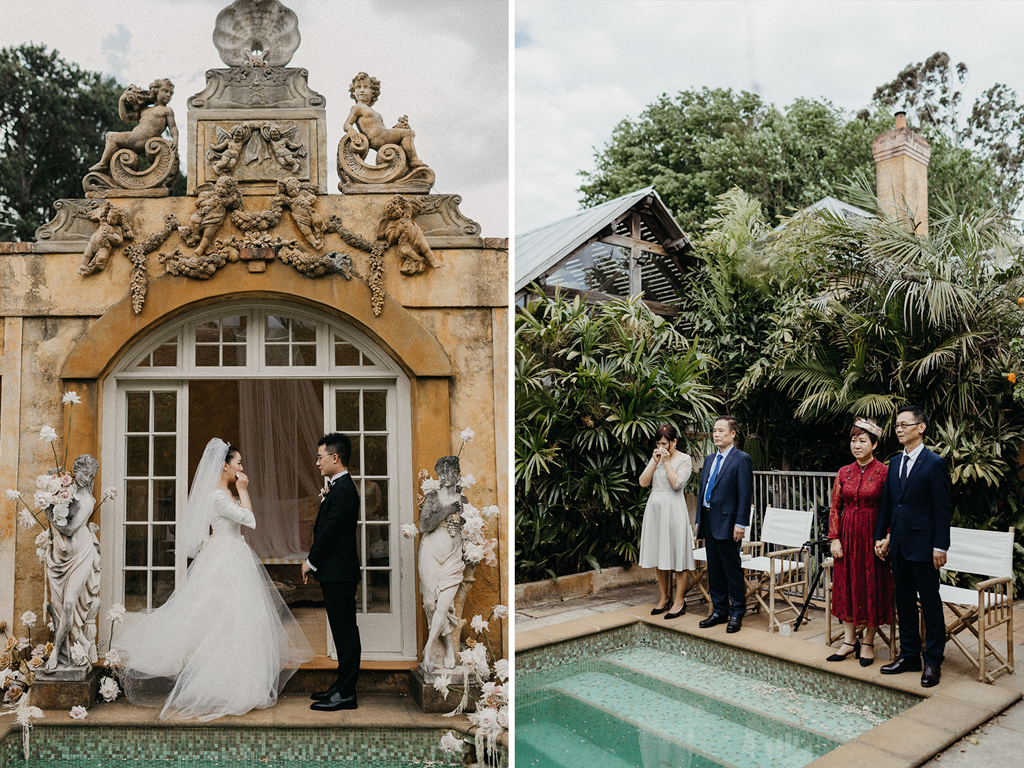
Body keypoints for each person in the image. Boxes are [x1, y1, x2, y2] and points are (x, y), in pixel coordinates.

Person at [115, 439, 312, 721]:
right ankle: (218, 684)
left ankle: (239, 679)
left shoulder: (223, 494)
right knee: (222, 618)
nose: (242, 467)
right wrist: (244, 491)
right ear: (225, 466)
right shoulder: (219, 497)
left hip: (231, 553)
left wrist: (237, 493)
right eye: (238, 463)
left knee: (237, 619)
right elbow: (250, 520)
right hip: (227, 556)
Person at [874, 405, 951, 688]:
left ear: (921, 428)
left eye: (905, 424)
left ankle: (932, 661)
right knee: (903, 602)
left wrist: (940, 546)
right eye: (897, 425)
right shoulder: (893, 463)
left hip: (924, 545)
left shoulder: (934, 463)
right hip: (899, 546)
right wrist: (880, 536)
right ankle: (909, 656)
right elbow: (889, 505)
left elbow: (943, 509)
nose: (899, 429)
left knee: (930, 604)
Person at [826, 418, 893, 667]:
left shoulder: (885, 472)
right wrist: (834, 539)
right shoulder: (844, 472)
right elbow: (835, 506)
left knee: (871, 585)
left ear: (874, 444)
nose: (856, 445)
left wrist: (886, 537)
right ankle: (849, 640)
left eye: (862, 440)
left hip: (872, 536)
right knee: (847, 585)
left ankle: (868, 641)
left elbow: (890, 509)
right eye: (853, 440)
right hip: (847, 535)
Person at [302, 433, 361, 711]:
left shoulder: (345, 490)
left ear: (334, 458)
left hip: (340, 573)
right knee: (340, 632)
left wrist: (310, 562)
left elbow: (330, 532)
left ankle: (347, 693)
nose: (317, 463)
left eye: (320, 457)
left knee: (346, 633)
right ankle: (341, 685)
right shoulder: (338, 487)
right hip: (335, 572)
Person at [696, 416, 753, 633]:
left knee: (732, 569)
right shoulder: (710, 459)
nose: (716, 434)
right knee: (715, 568)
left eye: (721, 430)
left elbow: (745, 494)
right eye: (714, 431)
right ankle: (719, 611)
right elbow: (703, 491)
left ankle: (737, 611)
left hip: (730, 523)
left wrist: (741, 523)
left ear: (732, 434)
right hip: (709, 519)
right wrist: (698, 519)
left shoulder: (741, 459)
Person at [637, 424, 694, 620]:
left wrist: (668, 462)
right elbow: (643, 482)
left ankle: (679, 601)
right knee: (660, 554)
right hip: (656, 509)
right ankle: (663, 598)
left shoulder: (685, 459)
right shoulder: (657, 458)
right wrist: (654, 462)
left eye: (665, 443)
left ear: (674, 442)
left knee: (678, 555)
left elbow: (677, 483)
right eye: (658, 443)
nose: (661, 447)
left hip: (674, 508)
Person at [90, 79, 178, 172]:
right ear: (156, 91)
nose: (169, 95)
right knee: (109, 136)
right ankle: (109, 167)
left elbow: (172, 128)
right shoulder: (145, 110)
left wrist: (175, 140)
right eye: (165, 91)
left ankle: (103, 164)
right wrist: (121, 101)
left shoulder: (167, 110)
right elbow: (125, 117)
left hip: (141, 140)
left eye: (171, 93)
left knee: (112, 137)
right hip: (135, 138)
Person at [343, 72, 425, 168]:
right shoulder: (357, 108)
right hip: (377, 139)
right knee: (408, 133)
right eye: (358, 87)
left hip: (383, 137)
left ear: (373, 91)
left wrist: (397, 127)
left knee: (406, 132)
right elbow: (347, 123)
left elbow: (384, 129)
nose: (362, 90)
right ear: (353, 91)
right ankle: (414, 160)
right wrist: (350, 129)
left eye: (366, 87)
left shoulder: (376, 113)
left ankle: (406, 164)